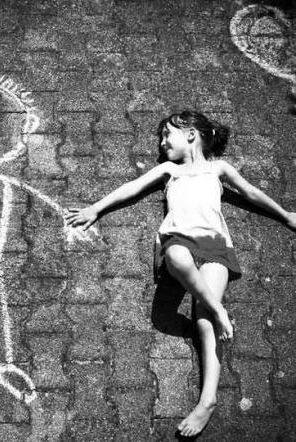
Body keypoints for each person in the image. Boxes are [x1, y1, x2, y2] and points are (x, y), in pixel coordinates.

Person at [65, 110, 296, 437]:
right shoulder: (169, 170)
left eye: (166, 135)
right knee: (177, 257)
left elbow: (251, 193)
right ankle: (219, 310)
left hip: (215, 245)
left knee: (203, 320)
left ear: (190, 134)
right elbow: (132, 187)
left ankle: (207, 400)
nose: (162, 143)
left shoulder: (218, 168)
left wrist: (286, 215)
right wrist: (96, 208)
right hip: (179, 242)